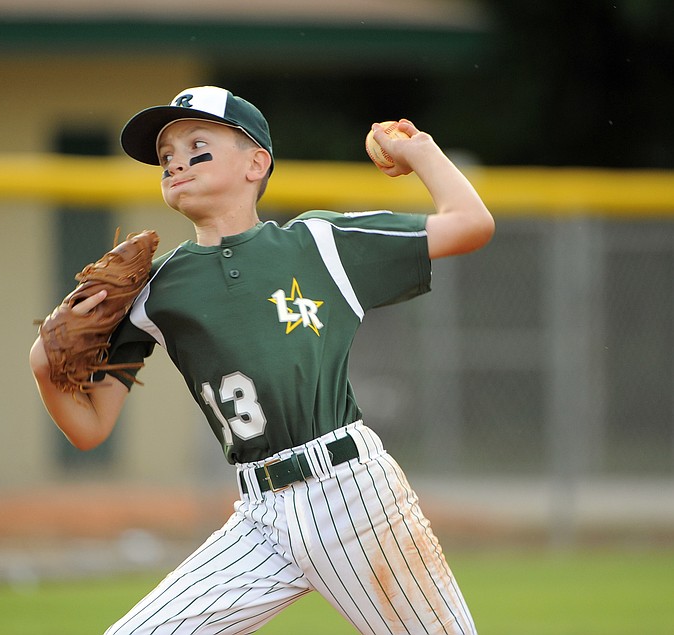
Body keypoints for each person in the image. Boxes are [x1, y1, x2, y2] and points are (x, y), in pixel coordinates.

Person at [30, 86, 494, 635]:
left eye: (197, 145)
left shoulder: (318, 243)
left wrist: (421, 153)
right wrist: (44, 366)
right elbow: (89, 427)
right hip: (259, 518)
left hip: (354, 497)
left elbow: (470, 223)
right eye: (165, 158)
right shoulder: (157, 291)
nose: (176, 162)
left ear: (257, 163)